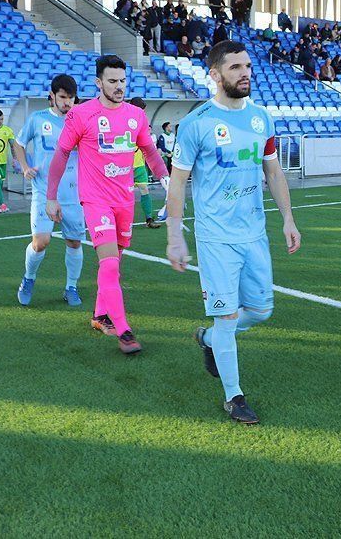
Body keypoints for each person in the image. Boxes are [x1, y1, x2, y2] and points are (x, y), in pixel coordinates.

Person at [165, 40, 301, 424]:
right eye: (236, 67)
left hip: (254, 234)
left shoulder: (262, 118)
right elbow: (177, 183)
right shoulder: (196, 123)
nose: (245, 73)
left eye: (247, 66)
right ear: (215, 74)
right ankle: (234, 396)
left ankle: (207, 340)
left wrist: (288, 219)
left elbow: (273, 172)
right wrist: (175, 236)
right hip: (215, 237)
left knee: (260, 310)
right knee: (226, 317)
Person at [46, 55, 168, 355]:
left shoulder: (135, 116)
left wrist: (165, 178)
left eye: (122, 81)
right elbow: (61, 155)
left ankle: (100, 315)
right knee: (110, 262)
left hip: (124, 200)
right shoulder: (82, 114)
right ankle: (123, 329)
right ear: (98, 83)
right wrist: (51, 196)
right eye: (112, 81)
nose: (119, 87)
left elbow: (150, 151)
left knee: (115, 263)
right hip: (96, 201)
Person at [12, 74, 86, 307]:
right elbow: (18, 143)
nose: (67, 103)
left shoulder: (80, 120)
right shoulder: (37, 119)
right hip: (44, 192)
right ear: (52, 96)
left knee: (74, 242)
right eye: (63, 97)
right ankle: (29, 278)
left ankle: (71, 287)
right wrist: (24, 167)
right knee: (41, 242)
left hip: (74, 194)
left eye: (71, 98)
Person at [127, 97, 161, 229]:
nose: (144, 114)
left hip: (139, 165)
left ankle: (149, 219)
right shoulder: (123, 122)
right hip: (125, 167)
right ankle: (124, 222)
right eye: (142, 111)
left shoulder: (142, 124)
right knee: (125, 195)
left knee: (144, 190)